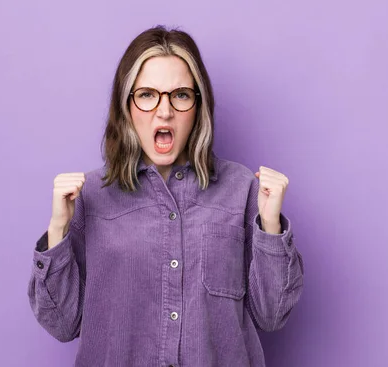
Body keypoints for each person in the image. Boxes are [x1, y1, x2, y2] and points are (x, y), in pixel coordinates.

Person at [27, 25, 304, 367]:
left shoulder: (242, 189)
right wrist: (58, 230)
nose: (164, 111)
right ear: (127, 106)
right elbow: (62, 324)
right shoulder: (88, 196)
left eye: (180, 95)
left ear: (198, 106)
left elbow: (273, 314)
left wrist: (271, 227)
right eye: (147, 94)